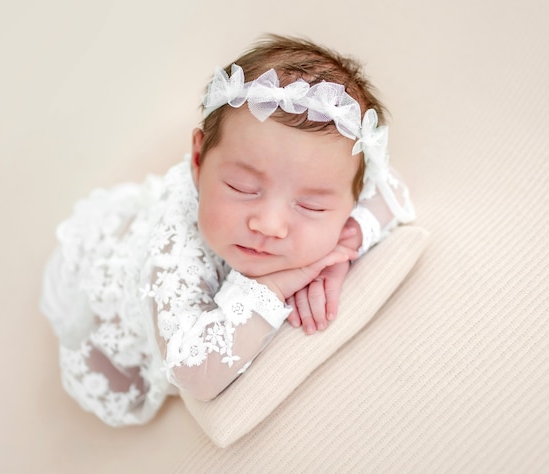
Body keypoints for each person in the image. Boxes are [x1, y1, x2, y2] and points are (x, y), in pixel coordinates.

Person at [40, 34, 415, 426]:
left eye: (311, 205)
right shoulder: (174, 248)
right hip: (120, 293)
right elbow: (195, 373)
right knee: (113, 373)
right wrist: (279, 284)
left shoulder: (340, 181)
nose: (268, 225)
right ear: (199, 160)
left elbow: (394, 192)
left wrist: (342, 246)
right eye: (242, 187)